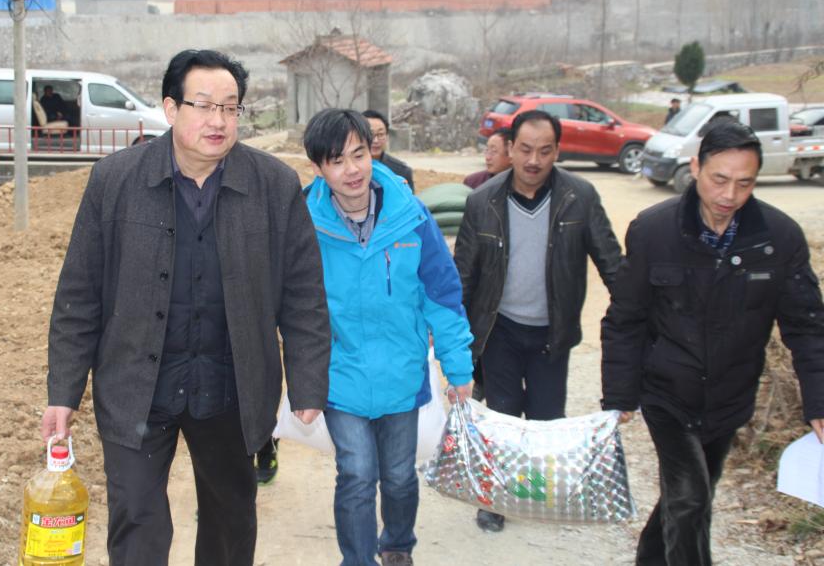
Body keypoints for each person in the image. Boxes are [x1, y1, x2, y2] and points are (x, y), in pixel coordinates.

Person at [42, 49, 332, 566]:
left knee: (230, 521)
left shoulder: (273, 186)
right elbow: (79, 295)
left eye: (230, 107)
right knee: (137, 520)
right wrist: (63, 393)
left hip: (230, 385)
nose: (218, 121)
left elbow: (303, 293)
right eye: (204, 105)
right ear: (171, 109)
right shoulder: (115, 180)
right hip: (136, 385)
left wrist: (307, 383)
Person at [601, 119, 824, 566]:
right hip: (667, 393)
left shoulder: (778, 238)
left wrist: (819, 402)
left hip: (730, 396)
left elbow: (807, 327)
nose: (729, 195)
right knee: (690, 499)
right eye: (719, 179)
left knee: (689, 496)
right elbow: (626, 317)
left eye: (745, 183)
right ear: (695, 167)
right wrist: (620, 395)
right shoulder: (654, 231)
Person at [303, 108, 474, 566]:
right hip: (340, 375)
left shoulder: (410, 216)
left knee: (398, 476)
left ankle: (397, 545)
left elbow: (442, 294)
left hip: (402, 374)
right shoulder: (304, 223)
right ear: (318, 168)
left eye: (358, 154)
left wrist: (458, 367)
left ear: (372, 151)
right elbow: (293, 305)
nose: (352, 169)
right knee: (357, 474)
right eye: (337, 160)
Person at [453, 109, 621, 533]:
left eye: (544, 151)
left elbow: (612, 262)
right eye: (525, 149)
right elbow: (464, 276)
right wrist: (457, 340)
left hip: (552, 332)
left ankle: (530, 489)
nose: (534, 160)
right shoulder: (482, 201)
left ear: (557, 151)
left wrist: (636, 314)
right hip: (501, 329)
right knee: (503, 416)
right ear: (510, 148)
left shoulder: (579, 197)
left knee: (547, 419)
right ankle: (495, 498)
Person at [363, 109, 415, 193]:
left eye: (380, 134)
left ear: (387, 136)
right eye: (370, 134)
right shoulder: (351, 170)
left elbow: (408, 200)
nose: (376, 140)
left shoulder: (401, 171)